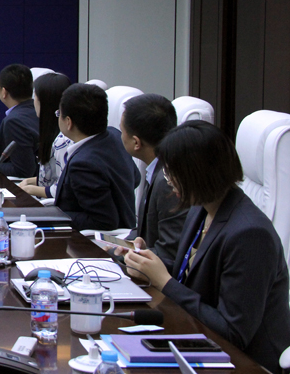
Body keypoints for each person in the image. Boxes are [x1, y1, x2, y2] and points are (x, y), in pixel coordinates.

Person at [124, 121, 290, 373]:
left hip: (244, 362)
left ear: (199, 174)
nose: (169, 182)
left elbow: (233, 333)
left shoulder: (250, 234)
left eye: (173, 174)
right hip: (196, 338)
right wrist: (146, 263)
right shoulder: (201, 209)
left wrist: (164, 281)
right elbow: (193, 272)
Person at [52, 84, 140, 231]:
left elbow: (104, 221)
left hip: (93, 239)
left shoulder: (83, 164)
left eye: (58, 113)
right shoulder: (115, 135)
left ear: (68, 122)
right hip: (127, 225)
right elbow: (135, 178)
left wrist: (56, 216)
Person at [119, 94, 185, 260]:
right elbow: (144, 231)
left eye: (122, 132)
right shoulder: (157, 168)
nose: (120, 136)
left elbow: (169, 253)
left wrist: (124, 256)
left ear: (136, 143)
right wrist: (118, 246)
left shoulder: (169, 182)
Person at [18, 72, 73, 198]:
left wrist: (30, 189)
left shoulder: (63, 140)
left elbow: (61, 187)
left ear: (44, 102)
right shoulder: (52, 132)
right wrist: (29, 181)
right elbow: (52, 177)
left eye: (35, 97)